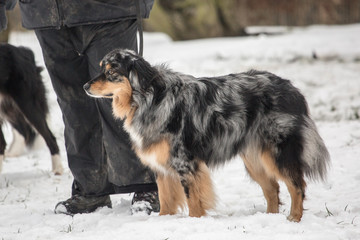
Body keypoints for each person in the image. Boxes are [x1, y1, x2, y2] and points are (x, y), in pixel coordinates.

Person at [0, 0, 159, 215]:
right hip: (46, 14)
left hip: (109, 10)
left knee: (122, 98)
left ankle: (146, 185)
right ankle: (90, 189)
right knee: (72, 105)